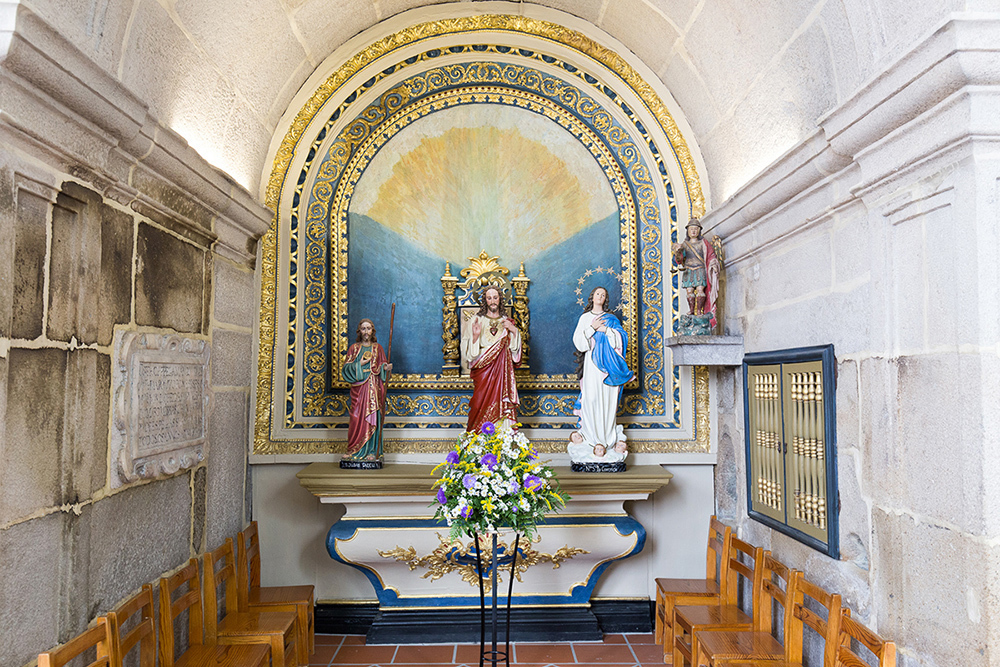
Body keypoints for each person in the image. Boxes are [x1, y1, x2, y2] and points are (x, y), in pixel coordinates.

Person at [572, 286, 634, 449]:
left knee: (607, 399)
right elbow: (579, 341)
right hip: (592, 365)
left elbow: (622, 338)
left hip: (609, 365)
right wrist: (592, 328)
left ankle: (606, 439)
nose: (600, 296)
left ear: (605, 299)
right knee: (591, 398)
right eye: (598, 294)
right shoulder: (585, 318)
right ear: (592, 297)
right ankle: (591, 438)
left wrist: (605, 329)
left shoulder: (611, 318)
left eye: (603, 295)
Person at [461, 285, 522, 432]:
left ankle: (503, 435)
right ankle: (480, 434)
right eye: (489, 298)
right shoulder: (476, 320)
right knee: (479, 403)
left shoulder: (507, 321)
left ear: (500, 299)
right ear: (485, 300)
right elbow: (466, 349)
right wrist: (475, 337)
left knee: (502, 401)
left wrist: (513, 330)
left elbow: (515, 351)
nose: (493, 301)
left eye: (495, 297)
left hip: (502, 371)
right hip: (483, 370)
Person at [341, 318, 392, 468]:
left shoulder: (378, 348)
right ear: (359, 331)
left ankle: (372, 451)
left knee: (373, 418)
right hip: (359, 389)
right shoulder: (354, 348)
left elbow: (382, 367)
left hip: (373, 389)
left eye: (368, 328)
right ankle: (353, 450)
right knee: (357, 418)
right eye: (363, 328)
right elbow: (345, 369)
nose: (366, 332)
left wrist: (386, 368)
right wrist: (360, 364)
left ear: (372, 331)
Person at [672, 218, 720, 330]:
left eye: (695, 229)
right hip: (688, 270)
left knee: (700, 290)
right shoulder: (684, 244)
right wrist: (677, 251)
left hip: (700, 269)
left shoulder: (703, 243)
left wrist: (713, 263)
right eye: (691, 229)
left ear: (699, 231)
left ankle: (699, 311)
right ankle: (692, 310)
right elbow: (679, 260)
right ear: (688, 231)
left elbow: (711, 255)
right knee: (689, 291)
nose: (693, 231)